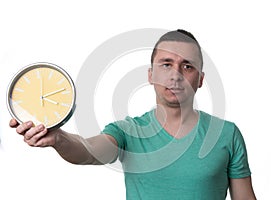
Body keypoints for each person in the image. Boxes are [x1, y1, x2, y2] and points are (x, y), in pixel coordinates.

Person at [9, 29, 256, 200]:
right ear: (151, 75)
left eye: (187, 66)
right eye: (166, 64)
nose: (176, 74)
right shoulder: (128, 132)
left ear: (200, 79)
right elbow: (90, 151)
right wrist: (59, 139)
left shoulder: (226, 134)